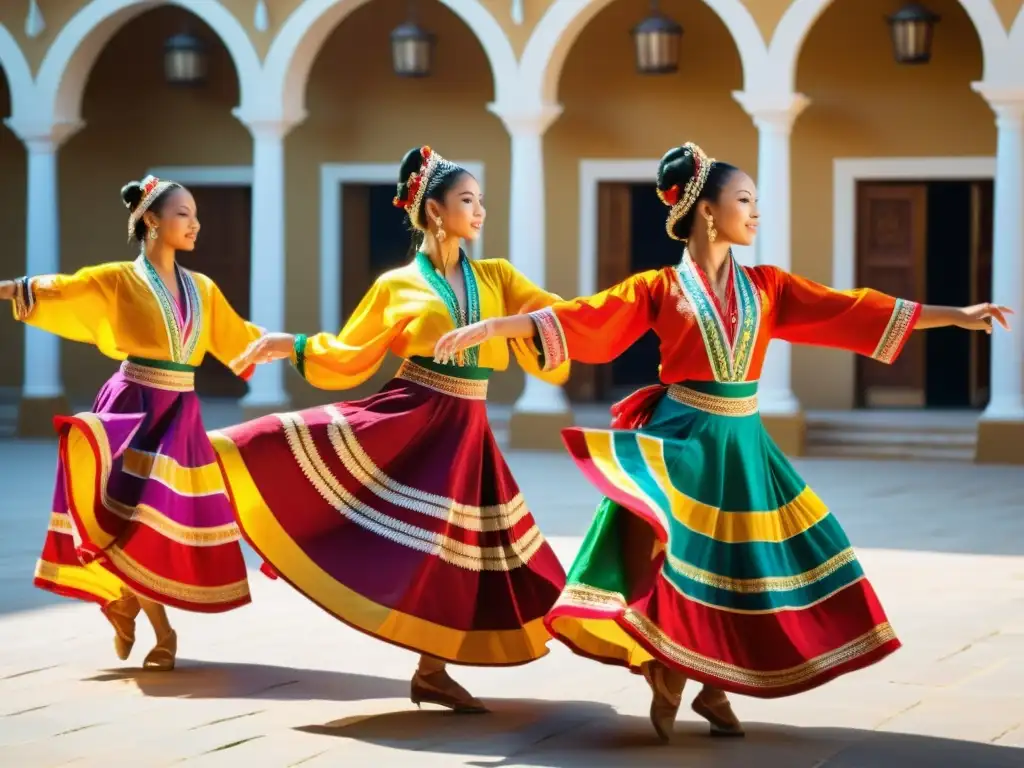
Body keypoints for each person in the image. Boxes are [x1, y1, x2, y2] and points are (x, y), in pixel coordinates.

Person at [433, 142, 1013, 740]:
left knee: (750, 564)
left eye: (755, 201)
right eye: (744, 200)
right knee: (682, 565)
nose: (755, 212)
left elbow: (850, 311)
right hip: (683, 441)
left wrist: (953, 314)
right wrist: (498, 325)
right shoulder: (658, 288)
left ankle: (714, 686)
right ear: (707, 211)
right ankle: (669, 675)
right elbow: (590, 318)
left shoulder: (768, 288)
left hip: (744, 445)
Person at [208, 146, 570, 713]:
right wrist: (294, 344)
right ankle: (224, 465)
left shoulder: (497, 276)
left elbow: (557, 318)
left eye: (482, 202)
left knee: (460, 547)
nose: (479, 213)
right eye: (467, 201)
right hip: (414, 413)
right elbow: (351, 350)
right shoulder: (397, 284)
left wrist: (516, 324)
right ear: (433, 211)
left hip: (467, 424)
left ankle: (432, 670)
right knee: (420, 541)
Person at [1, 176, 265, 671]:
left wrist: (302, 350)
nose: (195, 223)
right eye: (183, 213)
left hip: (179, 413)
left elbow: (242, 338)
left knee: (156, 518)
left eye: (194, 213)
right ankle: (162, 630)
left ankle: (122, 603)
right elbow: (64, 288)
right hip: (131, 405)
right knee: (127, 516)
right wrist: (13, 288)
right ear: (151, 220)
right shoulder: (119, 278)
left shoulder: (202, 288)